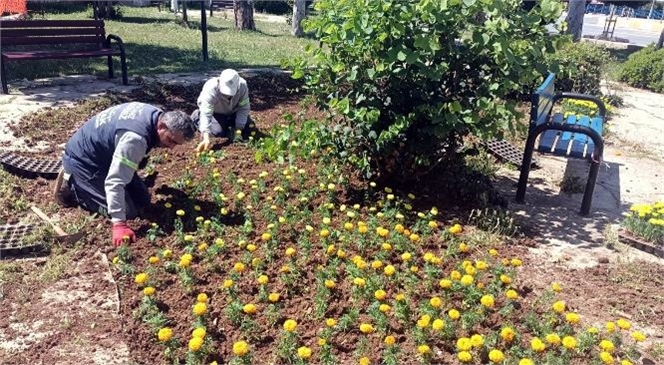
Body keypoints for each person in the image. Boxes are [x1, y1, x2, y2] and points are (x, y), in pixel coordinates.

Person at [53, 102, 197, 246]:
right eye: (171, 141)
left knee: (143, 200)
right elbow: (115, 182)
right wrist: (119, 224)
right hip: (84, 162)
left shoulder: (157, 114)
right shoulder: (135, 139)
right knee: (128, 212)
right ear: (162, 126)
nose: (171, 147)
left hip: (104, 155)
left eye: (176, 144)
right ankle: (74, 188)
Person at [192, 69, 253, 152]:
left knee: (249, 127)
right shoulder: (210, 88)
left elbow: (243, 108)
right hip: (216, 113)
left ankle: (228, 125)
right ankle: (197, 117)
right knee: (218, 132)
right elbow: (207, 112)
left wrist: (239, 129)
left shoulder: (242, 86)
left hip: (232, 112)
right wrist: (206, 137)